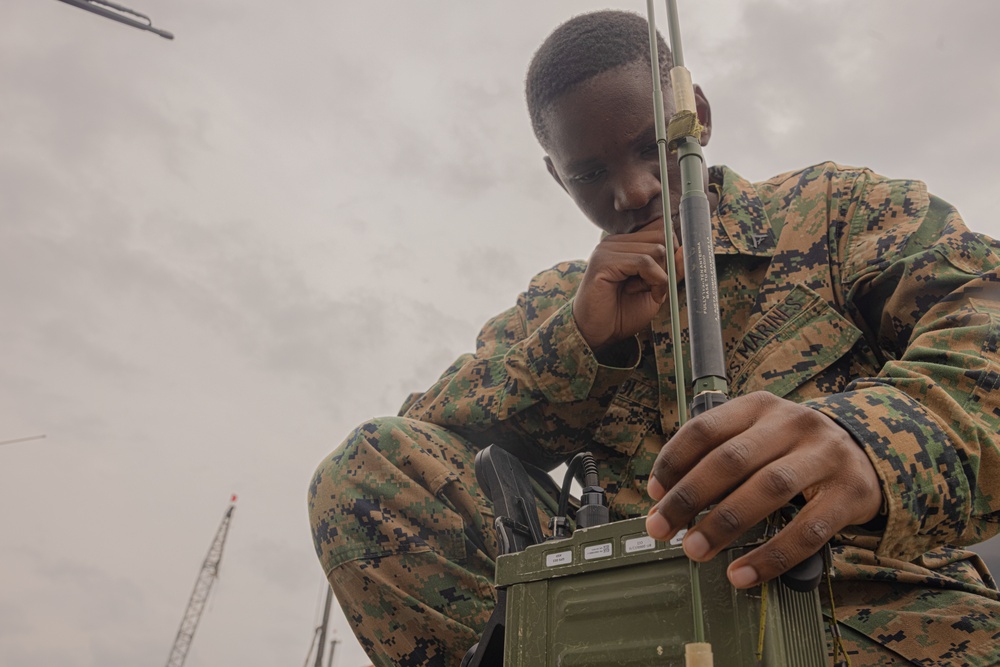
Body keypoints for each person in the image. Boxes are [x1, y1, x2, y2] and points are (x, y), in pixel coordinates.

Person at [308, 10, 1000, 667]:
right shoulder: (558, 302)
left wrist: (868, 441)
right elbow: (413, 452)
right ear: (556, 174)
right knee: (362, 464)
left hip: (881, 618)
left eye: (652, 147)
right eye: (589, 174)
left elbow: (984, 327)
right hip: (628, 628)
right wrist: (579, 349)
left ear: (695, 113)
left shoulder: (835, 210)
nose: (633, 191)